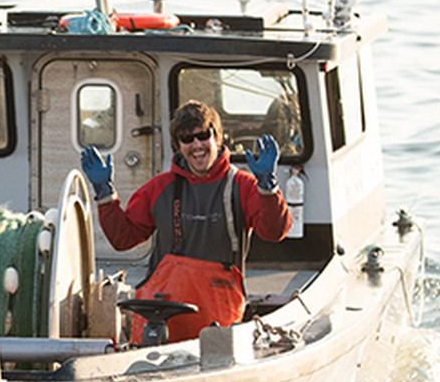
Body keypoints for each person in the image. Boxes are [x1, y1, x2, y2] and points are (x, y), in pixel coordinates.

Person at [80, 100, 291, 343]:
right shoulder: (159, 188)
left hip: (217, 324)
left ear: (218, 138)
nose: (197, 145)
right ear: (178, 146)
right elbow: (123, 239)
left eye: (203, 135)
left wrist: (268, 188)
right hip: (158, 321)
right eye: (187, 139)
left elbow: (275, 231)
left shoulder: (243, 186)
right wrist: (104, 194)